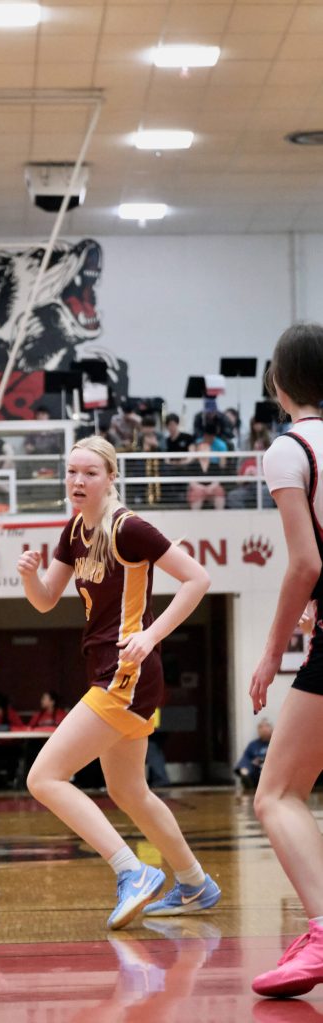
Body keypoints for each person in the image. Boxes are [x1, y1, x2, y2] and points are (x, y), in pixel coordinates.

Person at [18, 436, 221, 930]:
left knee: (43, 778)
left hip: (126, 672)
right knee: (129, 790)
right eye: (72, 472)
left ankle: (132, 869)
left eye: (89, 473)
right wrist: (28, 576)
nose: (78, 481)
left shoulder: (128, 528)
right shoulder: (73, 531)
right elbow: (45, 600)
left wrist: (150, 636)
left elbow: (197, 579)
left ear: (110, 478)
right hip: (110, 671)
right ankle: (195, 883)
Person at [247, 323, 323, 998]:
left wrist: (271, 654)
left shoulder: (290, 448)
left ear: (278, 383)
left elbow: (305, 562)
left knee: (276, 793)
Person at [234, 719, 273, 790]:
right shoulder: (253, 745)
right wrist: (248, 765)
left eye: (267, 726)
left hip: (271, 772)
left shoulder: (276, 743)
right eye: (261, 727)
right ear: (258, 730)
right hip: (256, 771)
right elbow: (246, 758)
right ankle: (246, 777)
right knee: (245, 764)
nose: (264, 729)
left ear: (272, 728)